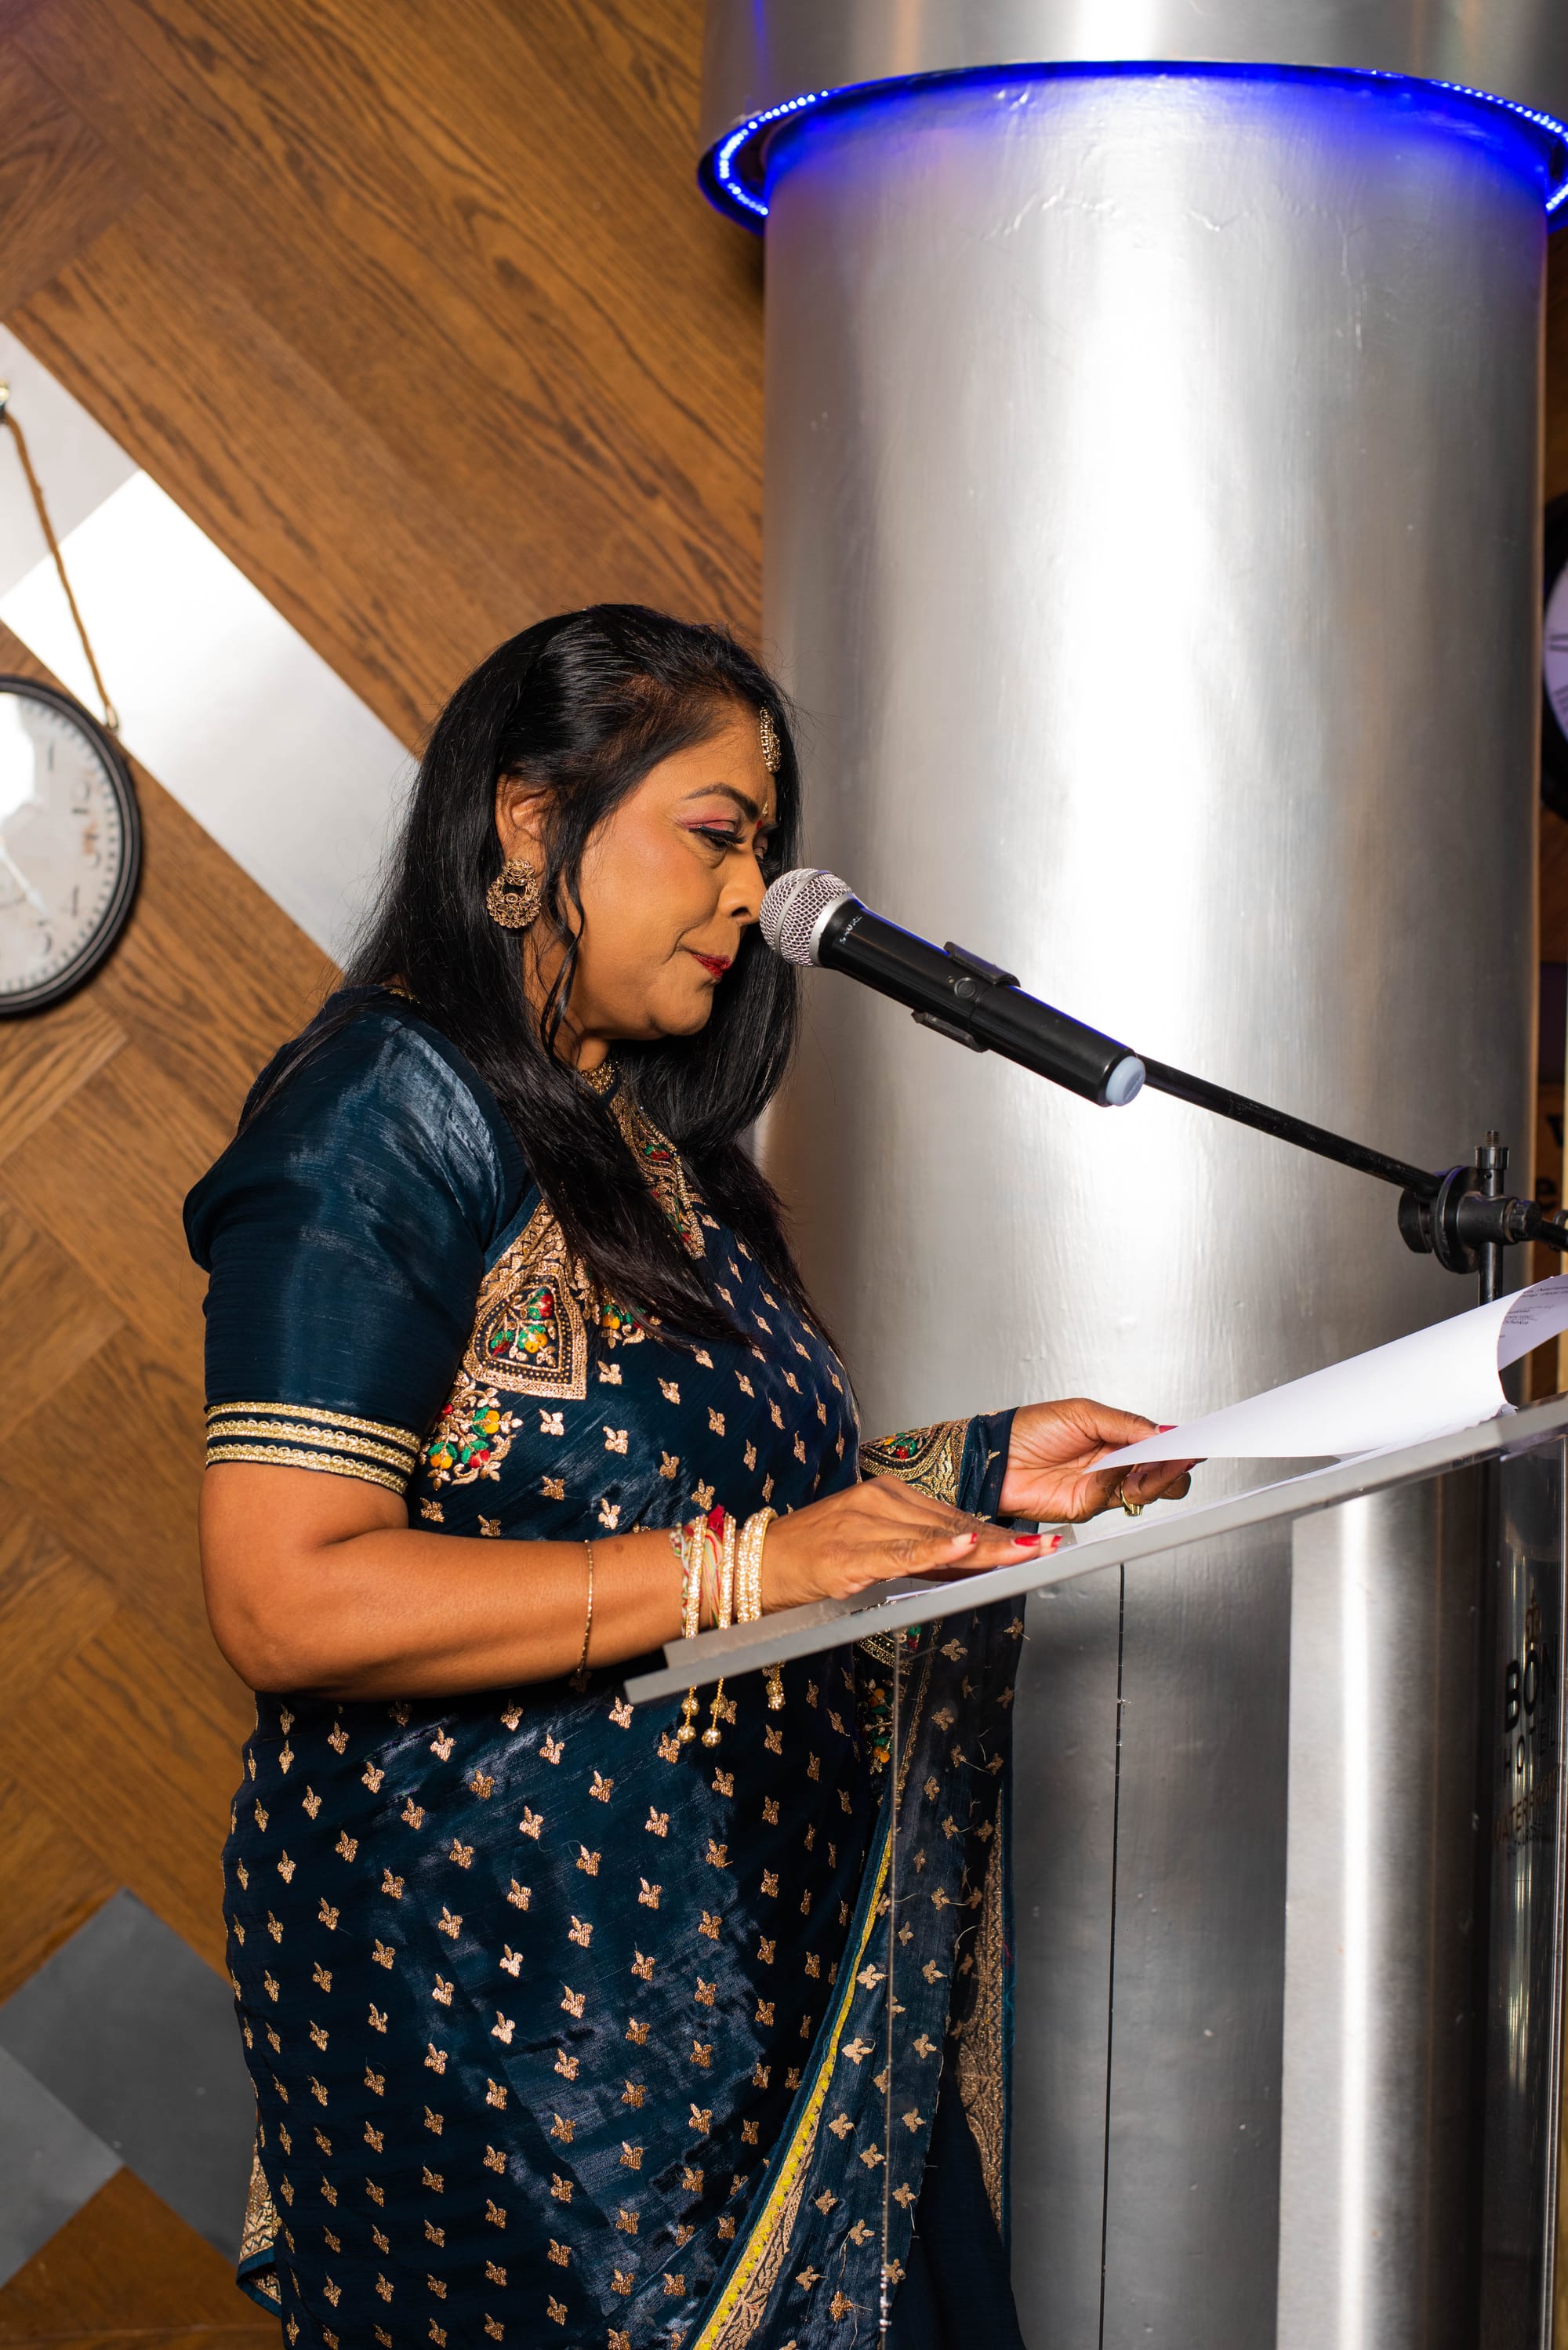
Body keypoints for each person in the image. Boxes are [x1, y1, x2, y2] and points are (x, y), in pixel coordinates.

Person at [186, 605, 1192, 2350]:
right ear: (529, 819)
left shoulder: (650, 1142)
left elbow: (661, 1496)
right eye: (715, 836)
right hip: (517, 2047)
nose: (753, 899)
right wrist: (758, 1568)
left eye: (763, 850)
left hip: (740, 1999)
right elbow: (288, 1590)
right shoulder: (378, 1109)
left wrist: (969, 1473)